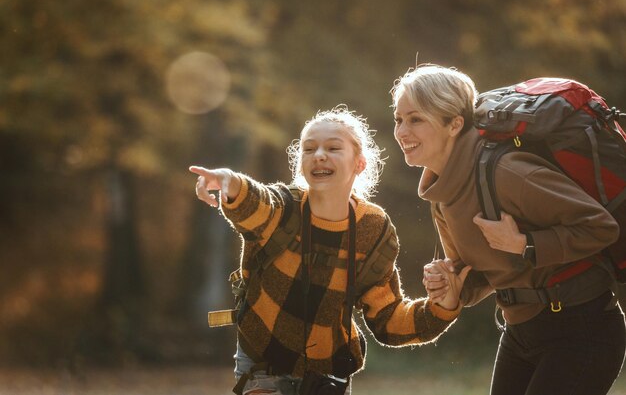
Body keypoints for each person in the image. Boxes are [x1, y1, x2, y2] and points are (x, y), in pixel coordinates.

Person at [190, 105, 468, 395]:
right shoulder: (284, 206)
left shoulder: (372, 227)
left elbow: (388, 318)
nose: (319, 154)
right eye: (309, 149)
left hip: (328, 373)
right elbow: (254, 202)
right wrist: (228, 179)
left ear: (359, 164)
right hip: (263, 360)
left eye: (333, 148)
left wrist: (442, 307)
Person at [391, 64, 626, 395]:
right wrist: (455, 285)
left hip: (582, 331)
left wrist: (525, 244)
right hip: (520, 334)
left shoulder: (506, 173)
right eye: (399, 119)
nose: (402, 131)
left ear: (454, 124)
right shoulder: (442, 195)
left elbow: (601, 227)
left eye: (416, 119)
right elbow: (487, 272)